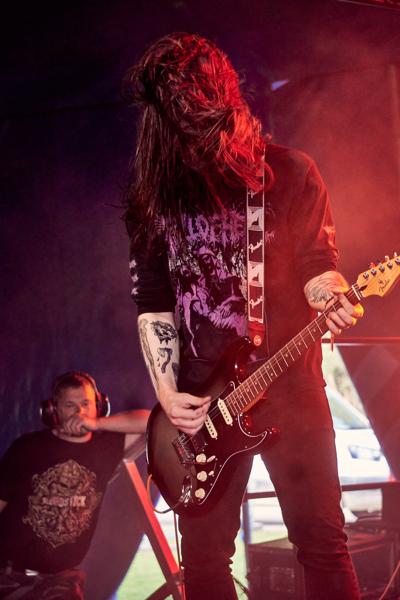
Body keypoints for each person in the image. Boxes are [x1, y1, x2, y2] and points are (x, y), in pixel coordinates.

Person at [123, 33, 364, 600]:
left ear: (220, 103)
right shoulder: (154, 194)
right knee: (205, 561)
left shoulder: (289, 172)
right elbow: (152, 299)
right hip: (200, 407)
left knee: (322, 544)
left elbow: (318, 265)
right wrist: (167, 392)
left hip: (289, 387)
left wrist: (331, 293)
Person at [0, 371, 149, 599]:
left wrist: (97, 424)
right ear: (54, 410)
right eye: (70, 405)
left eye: (86, 403)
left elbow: (152, 420)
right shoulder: (28, 447)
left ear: (99, 406)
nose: (79, 412)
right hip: (9, 575)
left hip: (60, 580)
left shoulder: (107, 446)